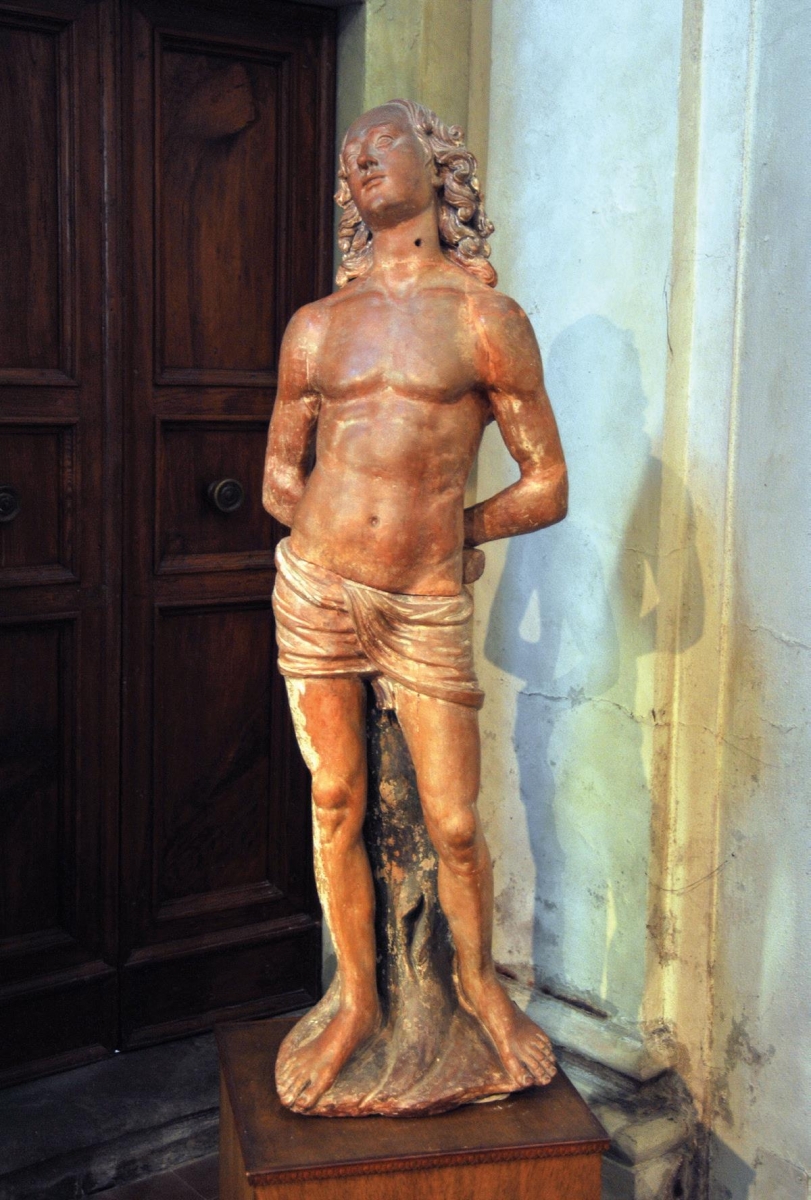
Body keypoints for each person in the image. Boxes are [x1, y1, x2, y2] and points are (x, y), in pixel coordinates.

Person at [263, 98, 567, 1112]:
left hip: (424, 601)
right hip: (316, 590)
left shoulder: (486, 319)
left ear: (437, 167)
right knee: (336, 801)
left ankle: (479, 989)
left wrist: (450, 534)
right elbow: (278, 476)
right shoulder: (317, 326)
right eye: (349, 152)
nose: (359, 158)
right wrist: (334, 545)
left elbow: (546, 484)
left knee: (453, 820)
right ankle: (356, 999)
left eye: (381, 142)